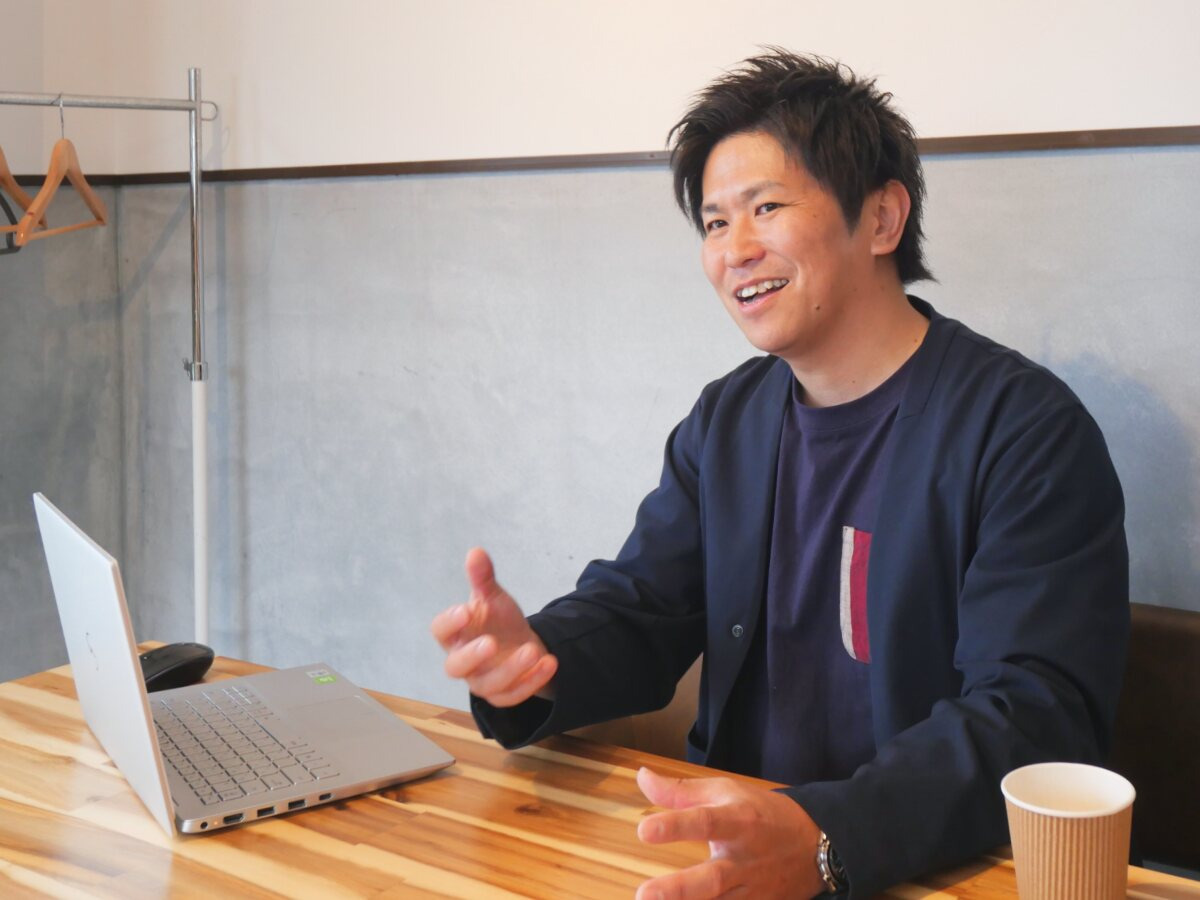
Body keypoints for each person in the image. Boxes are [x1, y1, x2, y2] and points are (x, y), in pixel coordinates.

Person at [431, 50, 1129, 898]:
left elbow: (1034, 716)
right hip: (734, 856)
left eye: (766, 208)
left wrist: (826, 834)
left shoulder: (1024, 430)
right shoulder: (728, 419)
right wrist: (535, 659)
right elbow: (643, 607)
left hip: (926, 870)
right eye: (715, 223)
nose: (736, 249)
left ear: (882, 217)